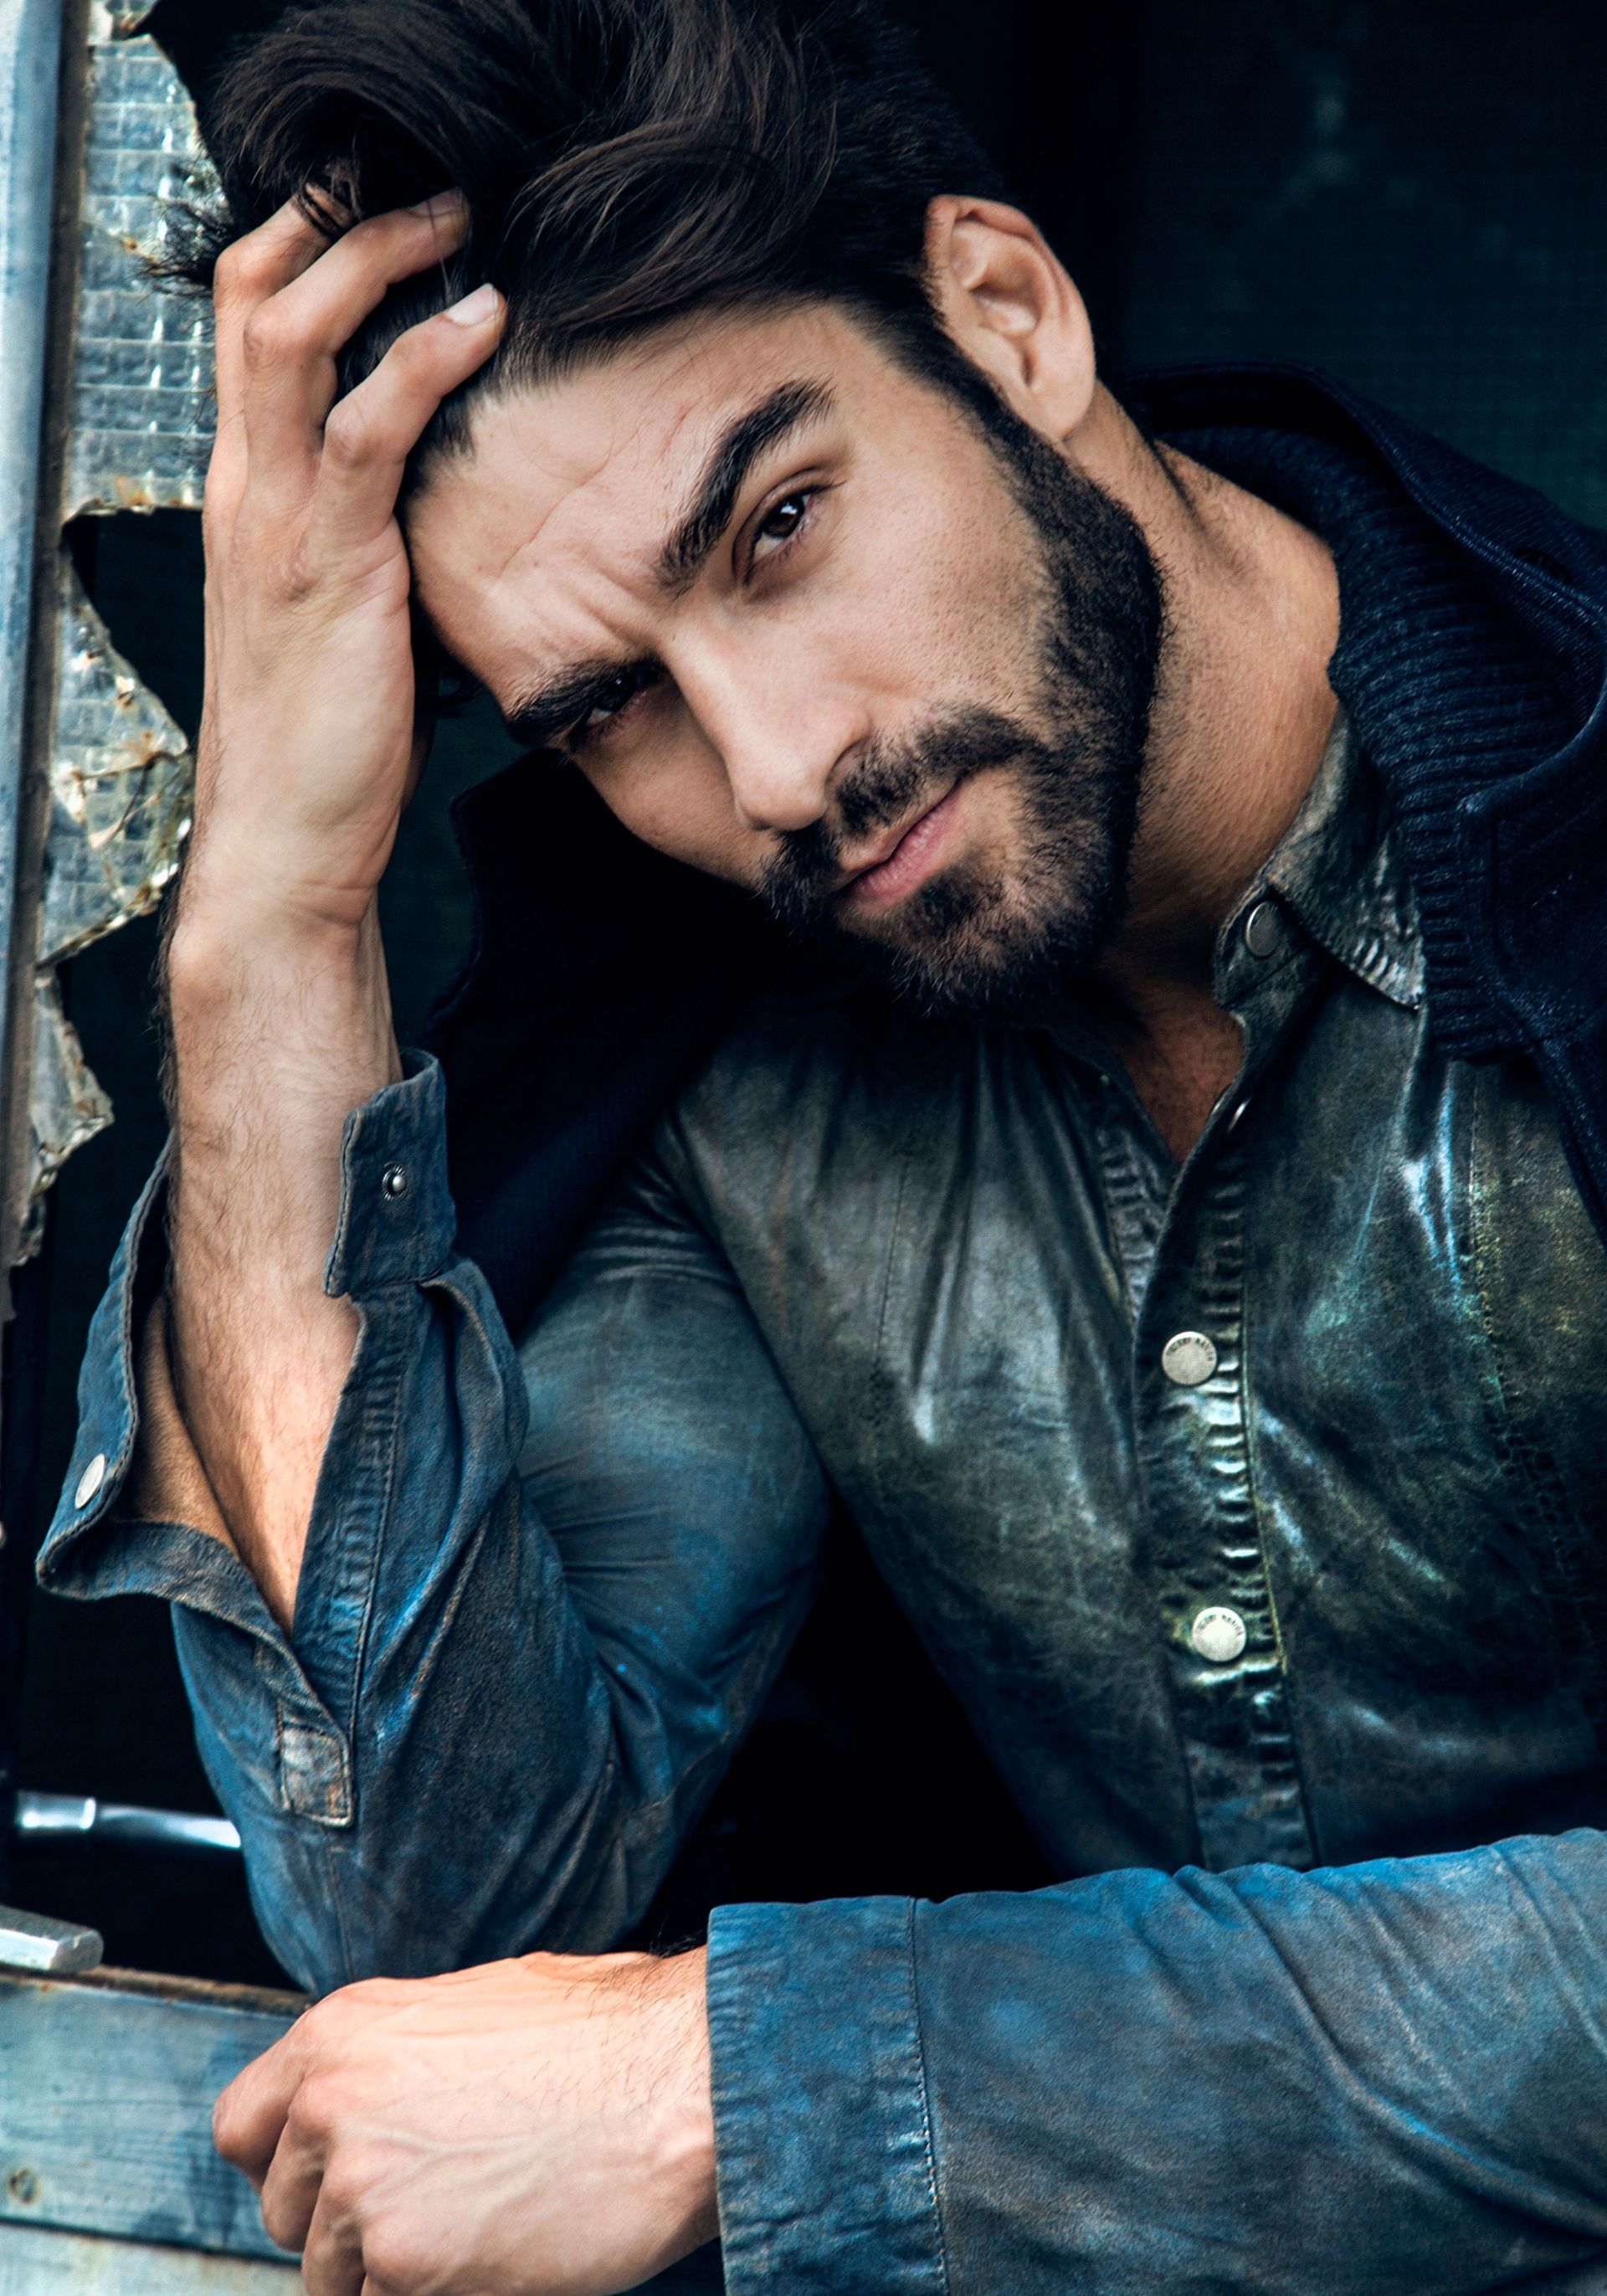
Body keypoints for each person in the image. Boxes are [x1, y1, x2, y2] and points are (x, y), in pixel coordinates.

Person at [37, 0, 1607, 2288]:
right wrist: (273, 916)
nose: (776, 770)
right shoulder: (749, 1048)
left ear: (1008, 315)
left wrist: (755, 2080)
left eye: (779, 528)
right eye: (612, 710)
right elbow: (439, 1913)